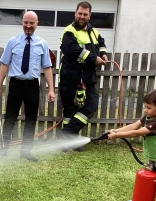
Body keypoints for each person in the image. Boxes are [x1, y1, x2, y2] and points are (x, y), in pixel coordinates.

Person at [0, 11, 56, 162]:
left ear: (36, 24)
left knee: (31, 119)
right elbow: (4, 65)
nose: (28, 26)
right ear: (22, 23)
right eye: (26, 22)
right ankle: (4, 148)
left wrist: (51, 89)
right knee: (10, 117)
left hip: (33, 86)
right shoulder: (12, 42)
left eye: (31, 23)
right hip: (15, 84)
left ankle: (26, 151)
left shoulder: (42, 44)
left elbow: (47, 68)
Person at [58, 1, 108, 151]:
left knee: (91, 106)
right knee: (69, 110)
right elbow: (71, 49)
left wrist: (104, 54)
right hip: (69, 76)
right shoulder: (69, 31)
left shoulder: (94, 31)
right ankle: (69, 143)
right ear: (75, 13)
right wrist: (94, 58)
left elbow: (102, 43)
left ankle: (66, 135)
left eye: (85, 14)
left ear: (89, 15)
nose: (82, 16)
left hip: (88, 77)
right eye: (80, 13)